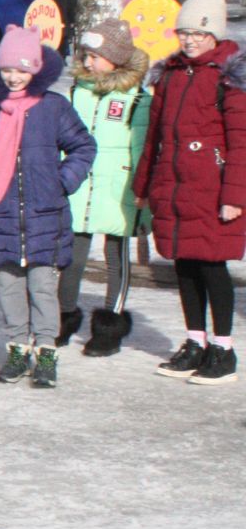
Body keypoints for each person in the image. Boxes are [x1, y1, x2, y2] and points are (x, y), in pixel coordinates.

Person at [0, 25, 97, 388]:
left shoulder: (53, 108)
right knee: (9, 287)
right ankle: (17, 348)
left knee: (43, 287)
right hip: (1, 215)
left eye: (21, 69)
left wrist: (61, 181)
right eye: (7, 69)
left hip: (45, 214)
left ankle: (46, 351)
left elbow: (83, 146)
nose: (14, 77)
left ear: (36, 70)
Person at [132, 0, 246, 385]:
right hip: (173, 186)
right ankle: (195, 341)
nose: (190, 40)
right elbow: (154, 136)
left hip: (213, 189)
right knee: (184, 264)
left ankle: (224, 348)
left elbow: (241, 141)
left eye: (199, 32)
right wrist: (143, 184)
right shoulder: (171, 75)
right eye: (184, 32)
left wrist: (234, 196)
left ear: (214, 33)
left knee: (213, 267)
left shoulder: (229, 76)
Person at [60, 18, 150, 357]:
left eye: (95, 56)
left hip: (120, 188)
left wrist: (142, 191)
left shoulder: (137, 98)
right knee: (71, 256)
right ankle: (64, 316)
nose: (87, 62)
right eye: (85, 55)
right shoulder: (76, 91)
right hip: (80, 185)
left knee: (116, 257)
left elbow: (141, 148)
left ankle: (109, 326)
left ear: (115, 58)